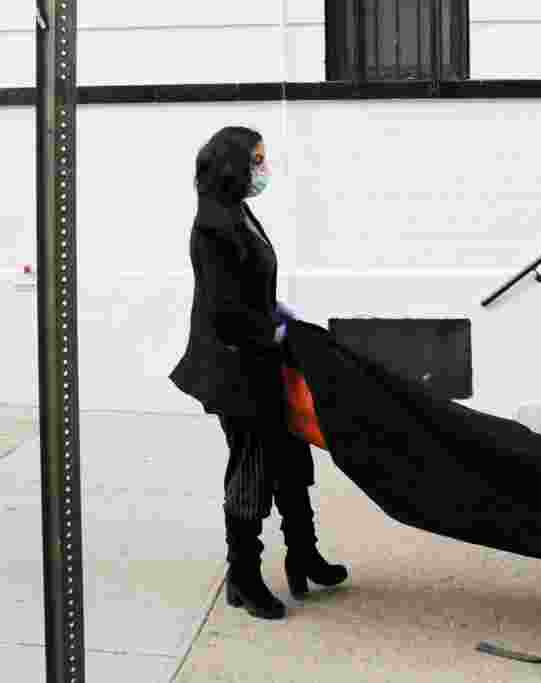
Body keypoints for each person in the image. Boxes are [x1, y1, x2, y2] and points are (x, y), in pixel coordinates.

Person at [170, 126, 348, 620]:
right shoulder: (213, 226)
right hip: (235, 368)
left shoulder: (239, 214)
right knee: (252, 466)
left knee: (290, 455)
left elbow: (254, 291)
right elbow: (225, 309)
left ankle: (303, 555)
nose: (263, 170)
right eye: (257, 160)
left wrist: (281, 315)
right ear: (233, 166)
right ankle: (244, 577)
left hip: (262, 359)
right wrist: (272, 333)